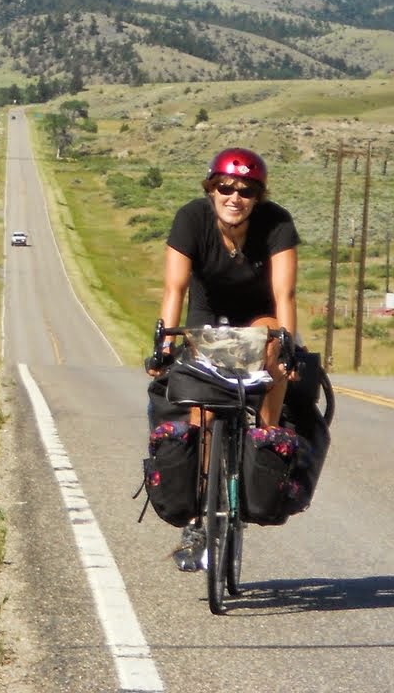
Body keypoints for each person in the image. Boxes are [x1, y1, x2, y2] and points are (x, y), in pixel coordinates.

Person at [151, 147, 299, 570]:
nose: (235, 197)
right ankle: (197, 517)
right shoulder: (190, 219)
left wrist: (286, 346)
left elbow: (286, 294)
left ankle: (265, 446)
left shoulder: (277, 224)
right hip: (207, 318)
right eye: (225, 187)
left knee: (274, 348)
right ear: (211, 189)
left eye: (247, 190)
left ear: (259, 196)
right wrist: (163, 345)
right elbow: (174, 290)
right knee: (201, 414)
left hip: (259, 316)